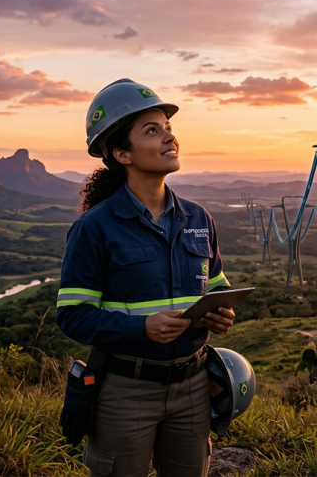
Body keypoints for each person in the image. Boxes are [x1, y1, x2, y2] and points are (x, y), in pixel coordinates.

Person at [56, 79, 235, 477]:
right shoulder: (94, 228)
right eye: (152, 131)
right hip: (125, 390)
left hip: (193, 385)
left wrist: (222, 313)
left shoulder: (199, 218)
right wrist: (142, 329)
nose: (169, 137)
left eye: (168, 128)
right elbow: (73, 315)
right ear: (122, 154)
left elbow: (217, 287)